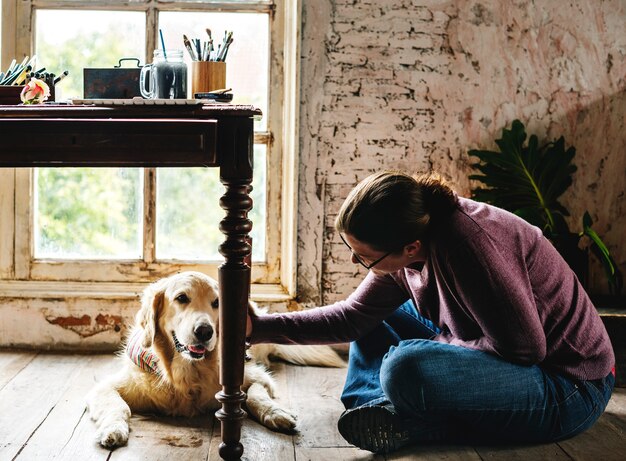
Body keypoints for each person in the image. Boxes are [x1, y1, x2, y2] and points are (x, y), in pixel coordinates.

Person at [246, 170, 615, 454]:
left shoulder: (470, 248)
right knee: (379, 321)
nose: (357, 261)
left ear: (411, 247)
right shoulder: (411, 236)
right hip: (513, 359)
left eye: (364, 257)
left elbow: (526, 350)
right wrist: (259, 327)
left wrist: (440, 345)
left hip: (568, 386)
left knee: (405, 366)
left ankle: (407, 414)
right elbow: (352, 316)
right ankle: (381, 409)